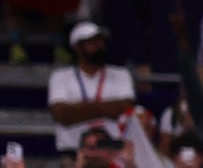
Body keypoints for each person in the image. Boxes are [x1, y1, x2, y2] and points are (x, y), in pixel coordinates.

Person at [48, 21, 137, 151]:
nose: (100, 45)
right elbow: (62, 115)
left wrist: (79, 109)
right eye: (93, 42)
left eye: (101, 41)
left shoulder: (121, 74)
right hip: (73, 149)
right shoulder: (60, 76)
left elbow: (126, 108)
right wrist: (108, 108)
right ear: (78, 47)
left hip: (113, 151)